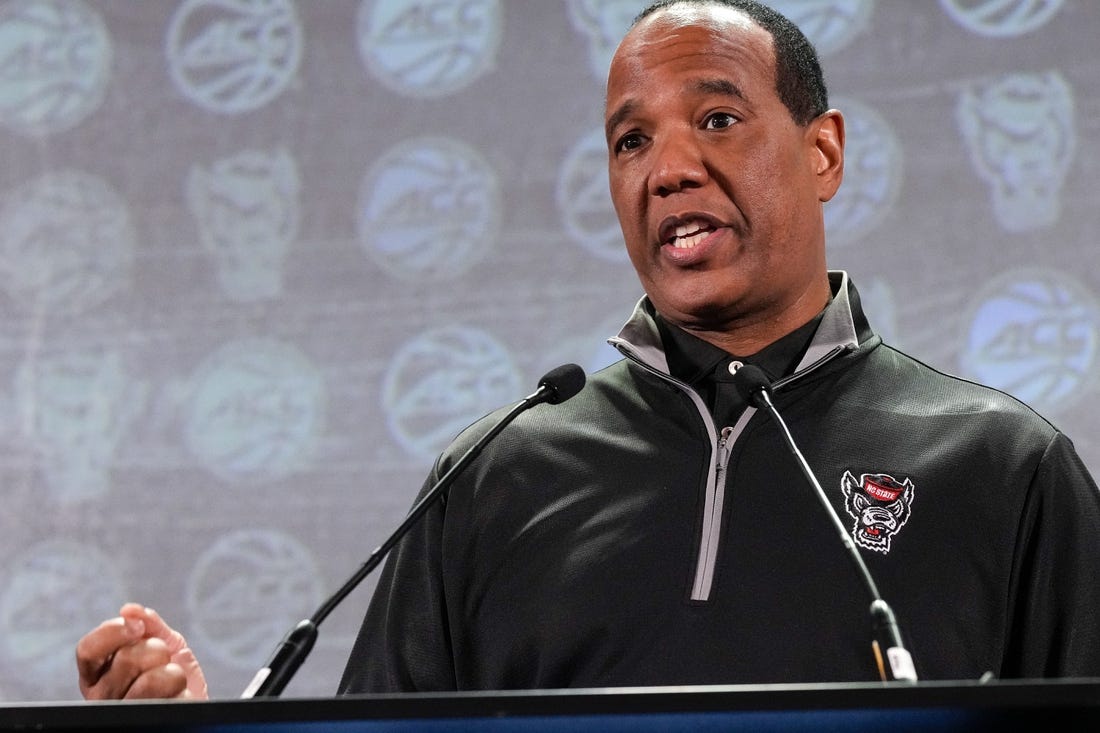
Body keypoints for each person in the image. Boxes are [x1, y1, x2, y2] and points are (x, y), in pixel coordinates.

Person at [76, 0, 1100, 699]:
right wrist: (196, 723)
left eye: (715, 118)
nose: (669, 168)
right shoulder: (498, 471)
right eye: (629, 140)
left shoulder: (999, 465)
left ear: (820, 150)